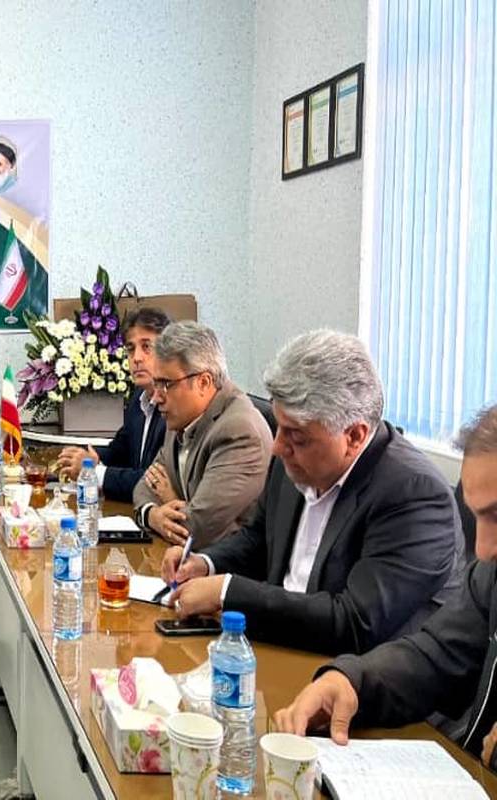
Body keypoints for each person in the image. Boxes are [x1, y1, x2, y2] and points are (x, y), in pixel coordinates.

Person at [162, 330, 463, 654]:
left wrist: (227, 592)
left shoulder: (413, 495)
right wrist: (206, 562)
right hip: (277, 646)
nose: (277, 447)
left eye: (296, 436)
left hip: (352, 671)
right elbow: (259, 539)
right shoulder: (293, 458)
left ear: (354, 436)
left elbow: (354, 623)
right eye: (279, 427)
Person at [274, 404, 497, 766]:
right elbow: (434, 655)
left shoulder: (410, 486)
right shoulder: (490, 576)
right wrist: (350, 681)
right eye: (478, 517)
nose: (483, 550)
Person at [131, 321, 272, 547]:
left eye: (165, 384)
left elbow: (195, 527)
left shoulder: (239, 432)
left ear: (203, 382)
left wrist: (171, 500)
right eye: (156, 384)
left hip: (218, 565)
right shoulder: (179, 417)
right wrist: (152, 515)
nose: (156, 398)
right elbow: (144, 487)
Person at [57, 307, 171, 501]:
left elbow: (154, 481)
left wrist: (95, 472)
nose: (136, 358)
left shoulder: (174, 407)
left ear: (168, 352)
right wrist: (84, 457)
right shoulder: (139, 398)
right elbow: (120, 451)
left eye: (146, 347)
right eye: (131, 349)